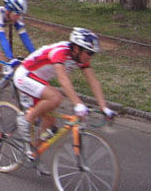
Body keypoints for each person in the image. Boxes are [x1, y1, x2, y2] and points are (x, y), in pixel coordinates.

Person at [14, 28, 115, 163]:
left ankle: (31, 153)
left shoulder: (79, 57)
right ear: (77, 48)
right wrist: (78, 103)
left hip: (39, 81)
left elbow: (93, 81)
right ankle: (26, 119)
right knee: (56, 97)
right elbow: (63, 78)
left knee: (50, 124)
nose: (90, 56)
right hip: (25, 75)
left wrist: (104, 107)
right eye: (89, 52)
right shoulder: (60, 51)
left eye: (93, 54)